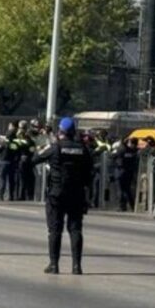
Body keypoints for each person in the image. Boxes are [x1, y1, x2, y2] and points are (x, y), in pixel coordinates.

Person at [33, 117, 92, 275]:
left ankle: (54, 264)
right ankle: (76, 266)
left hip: (57, 194)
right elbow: (89, 172)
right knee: (75, 229)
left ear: (61, 131)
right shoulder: (83, 149)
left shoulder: (55, 147)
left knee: (55, 230)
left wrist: (43, 148)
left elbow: (35, 159)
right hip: (77, 194)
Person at [112, 137, 139, 212]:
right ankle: (132, 206)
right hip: (129, 172)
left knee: (120, 189)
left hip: (120, 171)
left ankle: (122, 206)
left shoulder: (121, 149)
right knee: (127, 190)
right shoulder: (132, 151)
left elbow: (114, 157)